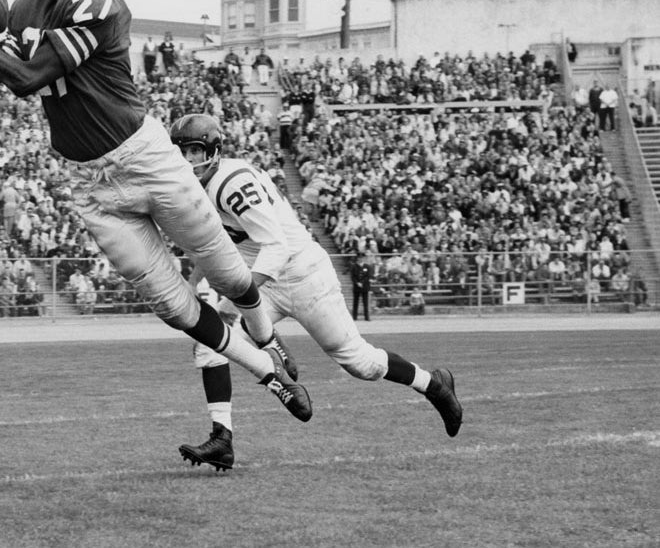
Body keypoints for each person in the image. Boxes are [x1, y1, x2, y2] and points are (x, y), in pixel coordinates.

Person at [0, 0, 309, 421]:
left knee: (224, 269)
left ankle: (267, 336)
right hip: (87, 179)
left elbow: (25, 77)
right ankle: (266, 373)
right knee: (174, 307)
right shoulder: (25, 7)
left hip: (142, 156)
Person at [169, 113, 463, 472]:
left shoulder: (231, 182)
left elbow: (275, 246)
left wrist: (241, 291)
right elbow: (210, 241)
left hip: (302, 274)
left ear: (213, 150)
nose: (187, 161)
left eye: (195, 151)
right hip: (262, 277)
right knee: (210, 342)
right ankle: (222, 438)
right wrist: (194, 279)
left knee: (360, 363)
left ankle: (434, 385)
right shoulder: (196, 188)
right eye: (181, 152)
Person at [351, 256, 373, 322]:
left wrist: (362, 282)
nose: (360, 259)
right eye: (359, 258)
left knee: (365, 302)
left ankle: (367, 317)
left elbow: (368, 276)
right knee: (355, 302)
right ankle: (354, 316)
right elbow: (352, 276)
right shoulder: (354, 266)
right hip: (357, 287)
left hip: (365, 286)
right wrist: (357, 283)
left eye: (361, 258)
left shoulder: (367, 266)